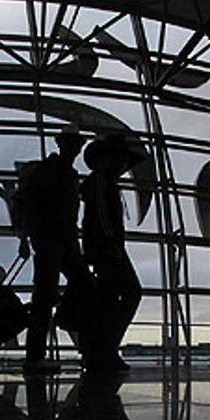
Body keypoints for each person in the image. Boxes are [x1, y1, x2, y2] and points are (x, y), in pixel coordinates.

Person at [19, 124, 94, 374]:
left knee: (49, 295)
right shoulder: (54, 173)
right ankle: (37, 356)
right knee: (54, 294)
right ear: (64, 145)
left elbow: (25, 204)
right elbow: (30, 205)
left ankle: (36, 356)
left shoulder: (56, 173)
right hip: (56, 241)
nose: (75, 148)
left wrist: (26, 238)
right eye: (74, 143)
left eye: (77, 144)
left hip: (56, 241)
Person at [80, 134, 145, 371]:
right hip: (107, 248)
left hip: (105, 247)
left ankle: (101, 350)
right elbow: (104, 215)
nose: (123, 166)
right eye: (120, 160)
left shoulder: (100, 181)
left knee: (109, 299)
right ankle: (104, 349)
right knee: (129, 292)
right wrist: (111, 242)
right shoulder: (101, 181)